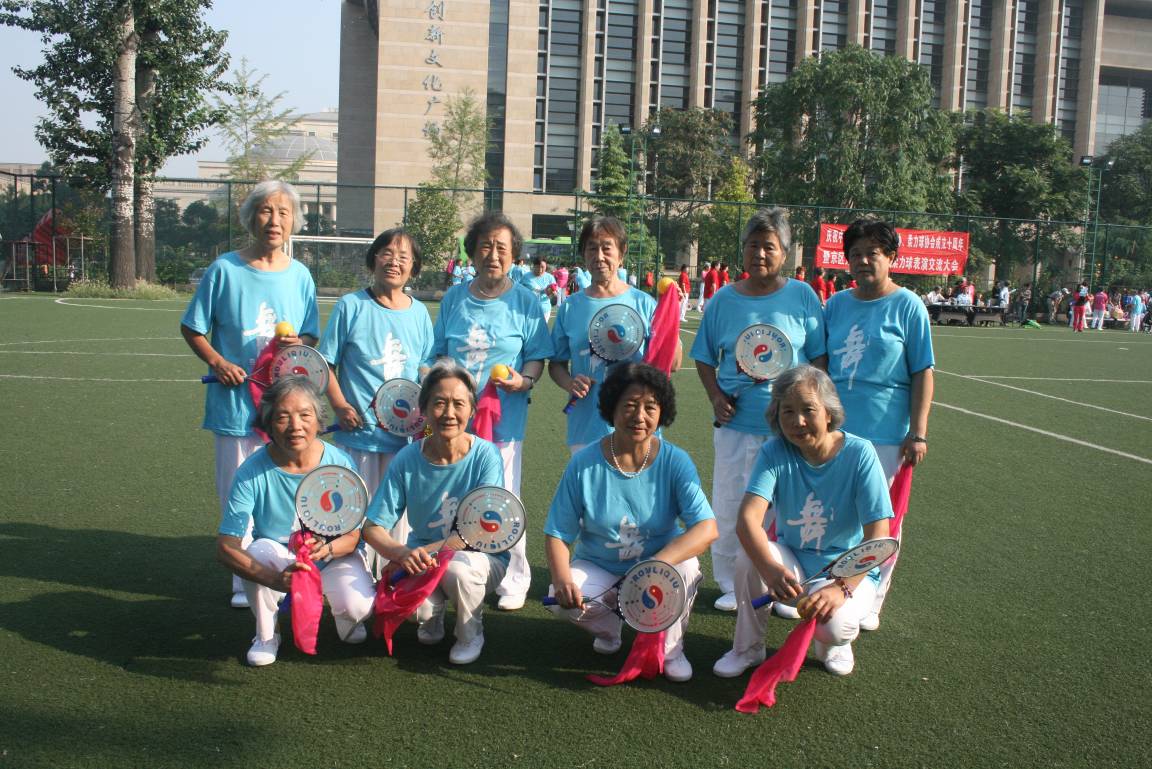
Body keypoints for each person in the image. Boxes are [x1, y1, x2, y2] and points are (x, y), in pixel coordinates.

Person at [181, 180, 320, 609]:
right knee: (236, 495)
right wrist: (218, 362)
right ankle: (245, 582)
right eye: (265, 210)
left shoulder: (300, 275)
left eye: (283, 212)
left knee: (288, 494)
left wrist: (299, 342)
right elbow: (193, 326)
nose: (274, 220)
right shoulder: (224, 269)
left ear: (294, 221)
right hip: (235, 407)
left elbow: (311, 336)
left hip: (285, 411)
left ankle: (291, 571)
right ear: (250, 218)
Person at [711, 365, 893, 678]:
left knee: (835, 628)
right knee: (750, 557)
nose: (798, 421)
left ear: (829, 412)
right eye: (788, 411)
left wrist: (841, 588)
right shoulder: (774, 451)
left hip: (843, 571)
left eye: (808, 409)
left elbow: (879, 535)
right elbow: (747, 520)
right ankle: (748, 648)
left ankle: (834, 645)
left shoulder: (859, 453)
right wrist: (770, 569)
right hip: (793, 565)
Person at [544, 363, 718, 682]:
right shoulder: (583, 464)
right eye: (630, 405)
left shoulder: (675, 461)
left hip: (657, 568)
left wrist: (655, 564)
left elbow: (707, 528)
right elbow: (557, 533)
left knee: (686, 566)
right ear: (612, 408)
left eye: (650, 407)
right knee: (559, 598)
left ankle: (671, 650)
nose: (639, 416)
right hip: (601, 566)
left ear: (661, 413)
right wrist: (562, 579)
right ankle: (609, 629)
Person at [691, 207, 827, 612]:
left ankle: (787, 586)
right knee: (730, 503)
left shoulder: (802, 296)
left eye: (769, 246)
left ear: (784, 252)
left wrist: (810, 411)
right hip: (736, 425)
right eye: (752, 245)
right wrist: (716, 396)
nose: (760, 254)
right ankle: (732, 584)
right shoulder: (723, 300)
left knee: (789, 509)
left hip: (790, 430)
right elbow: (704, 357)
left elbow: (819, 360)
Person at [432, 212, 552, 611]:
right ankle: (447, 570)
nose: (493, 254)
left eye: (502, 247)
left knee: (502, 497)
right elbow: (437, 353)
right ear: (473, 253)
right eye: (485, 246)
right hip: (452, 421)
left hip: (504, 420)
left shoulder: (526, 301)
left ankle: (514, 576)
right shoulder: (454, 298)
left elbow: (537, 356)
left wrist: (524, 381)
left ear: (514, 255)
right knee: (450, 494)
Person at [216, 377, 374, 666]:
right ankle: (266, 634)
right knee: (257, 551)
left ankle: (345, 616)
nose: (295, 426)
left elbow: (355, 535)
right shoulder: (251, 471)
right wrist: (275, 579)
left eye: (305, 415)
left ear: (318, 420)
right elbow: (227, 546)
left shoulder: (340, 463)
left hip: (332, 555)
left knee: (359, 607)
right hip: (280, 557)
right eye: (282, 417)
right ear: (268, 423)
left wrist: (327, 549)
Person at [823, 218, 934, 629]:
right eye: (855, 254)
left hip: (886, 435)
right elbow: (820, 365)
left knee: (882, 519)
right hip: (836, 432)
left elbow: (922, 371)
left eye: (872, 253)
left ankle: (873, 597)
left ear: (891, 257)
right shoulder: (836, 304)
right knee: (836, 511)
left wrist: (917, 432)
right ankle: (830, 585)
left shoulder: (908, 306)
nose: (863, 261)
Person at [361, 362, 506, 665]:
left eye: (458, 404)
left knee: (457, 570)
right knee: (417, 609)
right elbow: (372, 527)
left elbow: (478, 532)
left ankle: (470, 634)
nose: (449, 413)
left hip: (478, 557)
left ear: (472, 410)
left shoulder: (486, 456)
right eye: (439, 403)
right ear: (424, 409)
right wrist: (400, 553)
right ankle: (432, 615)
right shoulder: (407, 459)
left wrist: (417, 554)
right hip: (423, 558)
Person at [318, 228, 434, 574]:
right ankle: (351, 580)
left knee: (395, 518)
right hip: (359, 436)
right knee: (353, 512)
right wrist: (340, 406)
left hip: (402, 441)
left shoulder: (419, 313)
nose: (394, 262)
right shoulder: (351, 305)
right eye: (387, 253)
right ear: (373, 259)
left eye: (403, 257)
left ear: (414, 268)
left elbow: (425, 368)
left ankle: (390, 579)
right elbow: (326, 363)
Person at [549, 216, 656, 454]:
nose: (599, 256)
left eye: (607, 248)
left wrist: (670, 314)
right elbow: (556, 364)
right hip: (586, 426)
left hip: (638, 425)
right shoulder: (570, 307)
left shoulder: (645, 304)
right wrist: (570, 383)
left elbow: (672, 364)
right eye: (592, 248)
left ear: (622, 252)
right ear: (584, 254)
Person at [520, 255, 558, 322]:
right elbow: (520, 292)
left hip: (544, 310)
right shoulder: (526, 277)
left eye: (542, 267)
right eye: (537, 267)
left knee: (542, 328)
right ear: (534, 266)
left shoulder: (550, 278)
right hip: (529, 309)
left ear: (546, 266)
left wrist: (552, 294)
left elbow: (553, 296)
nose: (540, 270)